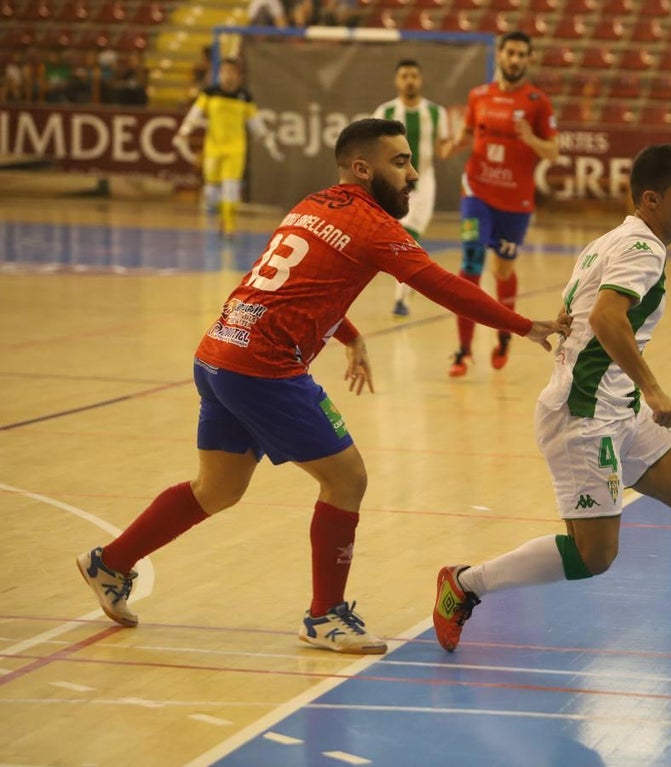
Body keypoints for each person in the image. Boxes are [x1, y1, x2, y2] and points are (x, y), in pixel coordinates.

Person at [77, 118, 571, 655]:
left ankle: (110, 564)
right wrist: (524, 325)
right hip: (263, 368)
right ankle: (325, 617)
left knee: (217, 489)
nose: (412, 174)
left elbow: (295, 281)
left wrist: (350, 335)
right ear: (362, 168)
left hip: (219, 351)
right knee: (347, 478)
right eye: (400, 163)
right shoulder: (377, 228)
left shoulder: (311, 205)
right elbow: (443, 286)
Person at [432, 144, 671, 662]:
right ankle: (464, 584)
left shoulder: (610, 241)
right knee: (594, 557)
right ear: (651, 198)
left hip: (616, 405)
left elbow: (577, 310)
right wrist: (654, 388)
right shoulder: (644, 249)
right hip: (584, 414)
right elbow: (605, 319)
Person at [442, 30, 559, 377]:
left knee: (503, 270)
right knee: (471, 264)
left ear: (528, 59)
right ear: (501, 54)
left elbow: (553, 151)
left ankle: (504, 336)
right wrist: (454, 145)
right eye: (510, 53)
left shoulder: (538, 102)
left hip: (516, 203)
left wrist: (531, 139)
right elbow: (468, 133)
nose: (515, 60)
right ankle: (463, 351)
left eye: (522, 54)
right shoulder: (478, 95)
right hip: (476, 193)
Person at [371, 59, 452, 317]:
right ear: (397, 81)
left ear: (421, 80)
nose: (409, 80)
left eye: (414, 75)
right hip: (393, 182)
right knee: (395, 237)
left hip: (423, 182)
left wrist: (457, 143)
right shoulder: (384, 112)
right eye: (404, 75)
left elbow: (442, 149)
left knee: (410, 235)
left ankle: (401, 298)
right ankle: (407, 287)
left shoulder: (437, 113)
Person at [172, 58, 284, 236]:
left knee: (231, 188)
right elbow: (195, 114)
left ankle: (229, 225)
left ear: (238, 76)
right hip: (213, 149)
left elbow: (255, 123)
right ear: (220, 74)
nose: (228, 76)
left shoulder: (244, 96)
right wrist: (184, 132)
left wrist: (268, 142)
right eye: (225, 72)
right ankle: (220, 216)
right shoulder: (210, 93)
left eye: (232, 72)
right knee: (211, 194)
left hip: (235, 149)